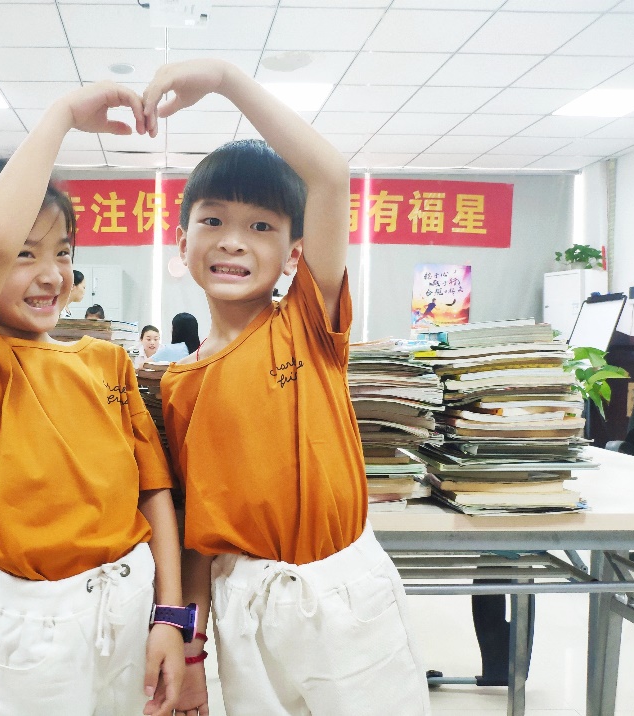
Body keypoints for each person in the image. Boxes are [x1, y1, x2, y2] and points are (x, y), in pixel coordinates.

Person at [144, 60, 430, 716]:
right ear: (182, 241)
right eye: (212, 222)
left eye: (261, 226)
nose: (233, 243)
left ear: (293, 254)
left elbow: (327, 175)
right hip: (245, 607)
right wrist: (192, 653)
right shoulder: (180, 385)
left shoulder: (306, 321)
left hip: (344, 594)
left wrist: (224, 80)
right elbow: (198, 534)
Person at [0, 82, 187, 716]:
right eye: (24, 255)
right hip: (38, 620)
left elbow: (154, 491)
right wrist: (60, 116)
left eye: (62, 253)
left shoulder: (106, 360)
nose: (51, 274)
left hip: (131, 599)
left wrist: (170, 616)